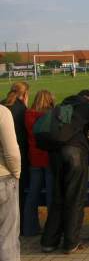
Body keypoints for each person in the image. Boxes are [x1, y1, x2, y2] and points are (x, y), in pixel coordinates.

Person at [41, 90, 89, 254]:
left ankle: (49, 241)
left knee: (58, 197)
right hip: (74, 152)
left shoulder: (63, 106)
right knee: (75, 197)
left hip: (55, 154)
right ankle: (71, 242)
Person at [22, 90, 55, 236]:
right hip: (48, 157)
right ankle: (51, 228)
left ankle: (29, 227)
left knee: (32, 194)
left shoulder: (28, 114)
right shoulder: (49, 115)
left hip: (34, 157)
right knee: (51, 194)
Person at [1, 81, 30, 234]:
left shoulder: (3, 105)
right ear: (25, 94)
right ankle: (22, 227)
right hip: (16, 158)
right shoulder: (22, 109)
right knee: (18, 196)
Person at [0, 103, 21, 260]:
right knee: (8, 238)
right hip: (3, 178)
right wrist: (16, 172)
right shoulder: (2, 112)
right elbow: (12, 152)